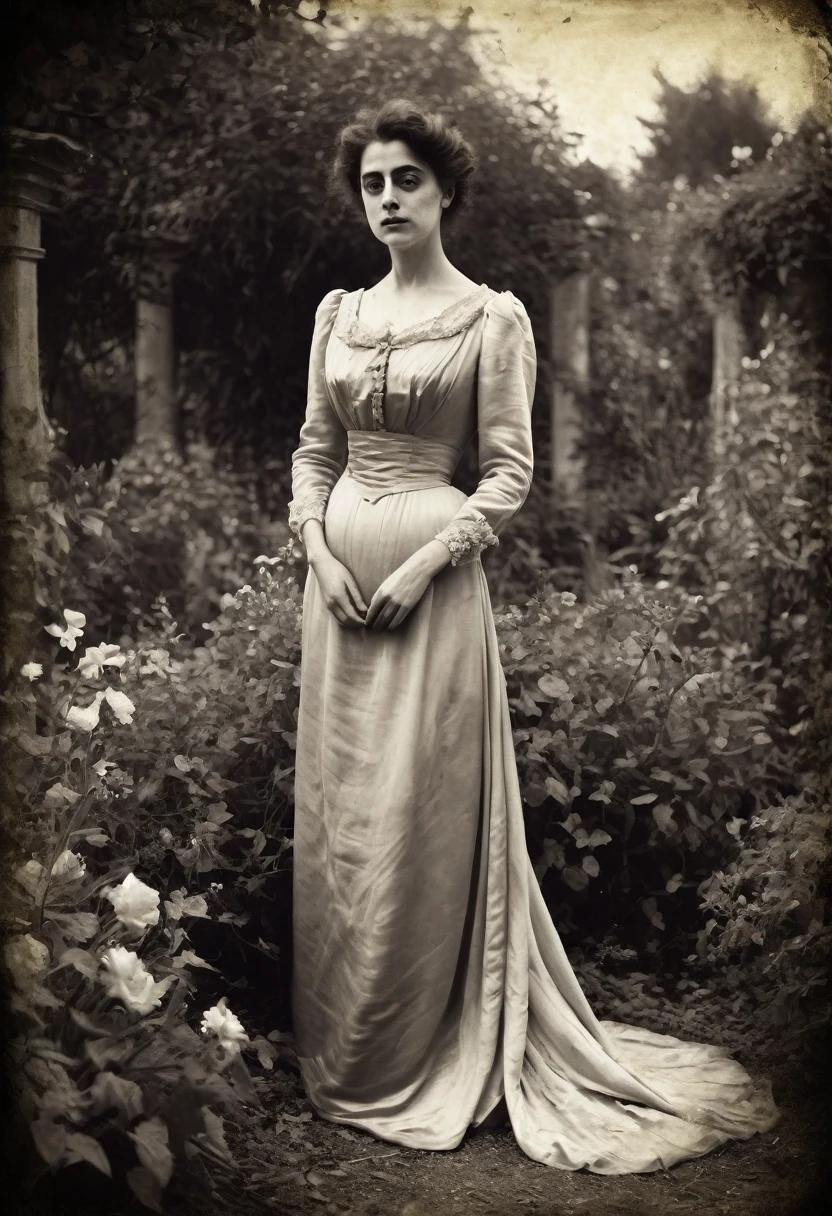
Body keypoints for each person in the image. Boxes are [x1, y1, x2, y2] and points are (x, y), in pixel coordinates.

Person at [287, 98, 778, 1173]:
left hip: (433, 586)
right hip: (336, 598)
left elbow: (508, 471)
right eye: (370, 184)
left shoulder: (490, 319)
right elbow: (313, 454)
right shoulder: (337, 314)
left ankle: (427, 1040)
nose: (386, 200)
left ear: (445, 189)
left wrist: (420, 565)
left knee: (418, 809)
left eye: (405, 180)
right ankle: (352, 1044)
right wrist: (321, 555)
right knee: (344, 818)